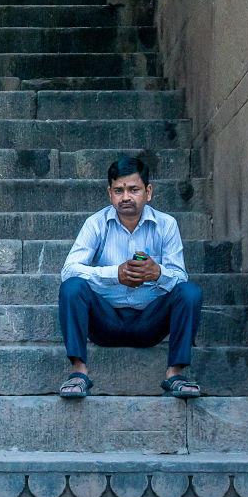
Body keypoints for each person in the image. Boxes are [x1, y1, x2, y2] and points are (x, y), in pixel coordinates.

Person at [57, 154, 203, 398]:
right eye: (119, 190)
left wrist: (158, 274)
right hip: (105, 321)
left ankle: (174, 373)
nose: (126, 197)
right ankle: (79, 372)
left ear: (148, 192)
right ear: (109, 193)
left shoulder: (166, 225)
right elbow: (69, 270)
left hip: (151, 321)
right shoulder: (96, 223)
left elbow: (179, 277)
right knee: (72, 287)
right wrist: (116, 274)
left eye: (133, 189)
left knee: (190, 292)